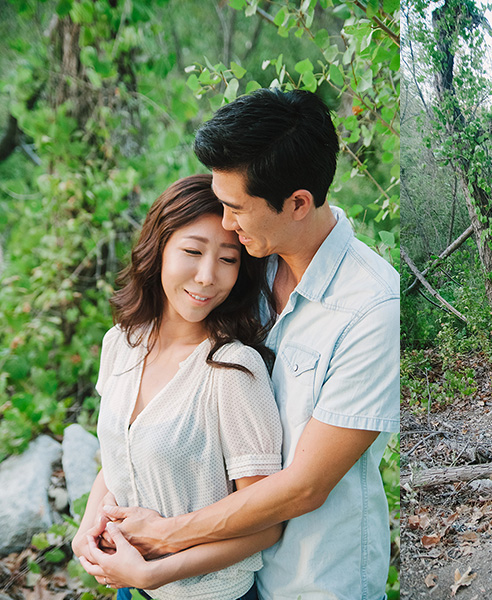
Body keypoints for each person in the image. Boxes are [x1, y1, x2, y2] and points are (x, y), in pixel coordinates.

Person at [80, 89, 400, 599]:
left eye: (235, 208)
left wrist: (164, 538)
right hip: (212, 575)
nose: (225, 222)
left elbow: (305, 486)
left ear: (297, 204)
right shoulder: (246, 267)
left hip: (310, 580)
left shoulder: (370, 306)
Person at [72, 174, 284, 599]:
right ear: (159, 248)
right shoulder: (122, 342)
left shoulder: (232, 370)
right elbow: (121, 456)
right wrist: (86, 529)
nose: (207, 276)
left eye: (228, 259)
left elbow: (266, 525)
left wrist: (157, 573)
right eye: (192, 251)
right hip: (130, 587)